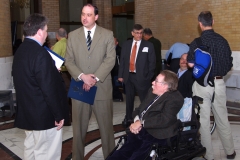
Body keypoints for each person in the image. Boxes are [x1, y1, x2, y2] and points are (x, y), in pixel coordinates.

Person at [12, 13, 68, 160]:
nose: (46, 35)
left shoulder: (20, 51)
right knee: (46, 154)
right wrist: (58, 114)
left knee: (30, 151)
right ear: (39, 32)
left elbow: (30, 79)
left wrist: (51, 70)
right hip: (44, 117)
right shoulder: (40, 54)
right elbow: (48, 89)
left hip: (28, 114)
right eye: (46, 31)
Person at [64, 4, 116, 160]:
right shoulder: (73, 36)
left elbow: (110, 59)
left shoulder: (107, 35)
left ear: (96, 17)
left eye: (88, 15)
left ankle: (111, 157)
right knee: (78, 130)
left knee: (106, 129)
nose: (84, 18)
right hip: (79, 88)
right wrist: (82, 76)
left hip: (101, 88)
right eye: (82, 14)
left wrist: (95, 78)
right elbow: (69, 61)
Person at [187, 11, 235, 160]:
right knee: (222, 118)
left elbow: (189, 63)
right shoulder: (223, 41)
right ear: (213, 22)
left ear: (200, 24)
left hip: (202, 85)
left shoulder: (196, 42)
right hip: (219, 83)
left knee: (204, 121)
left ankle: (208, 155)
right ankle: (230, 152)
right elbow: (229, 64)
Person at [108, 70, 184, 160]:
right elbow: (139, 110)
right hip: (142, 130)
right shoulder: (152, 91)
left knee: (137, 156)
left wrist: (141, 123)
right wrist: (136, 121)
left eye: (156, 81)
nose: (152, 82)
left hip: (159, 134)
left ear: (165, 86)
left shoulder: (175, 98)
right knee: (122, 152)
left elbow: (164, 119)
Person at [118, 24, 156, 127]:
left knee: (144, 99)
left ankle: (144, 119)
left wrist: (148, 77)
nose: (139, 35)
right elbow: (122, 61)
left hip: (142, 77)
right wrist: (120, 75)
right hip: (128, 76)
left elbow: (152, 62)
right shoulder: (126, 44)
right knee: (129, 99)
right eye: (137, 33)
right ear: (132, 33)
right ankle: (129, 118)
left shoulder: (148, 45)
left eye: (141, 33)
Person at [111, 37, 123, 102]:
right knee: (113, 84)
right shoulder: (109, 50)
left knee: (116, 85)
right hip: (111, 70)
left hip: (117, 70)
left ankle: (119, 97)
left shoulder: (119, 50)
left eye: (113, 41)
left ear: (117, 43)